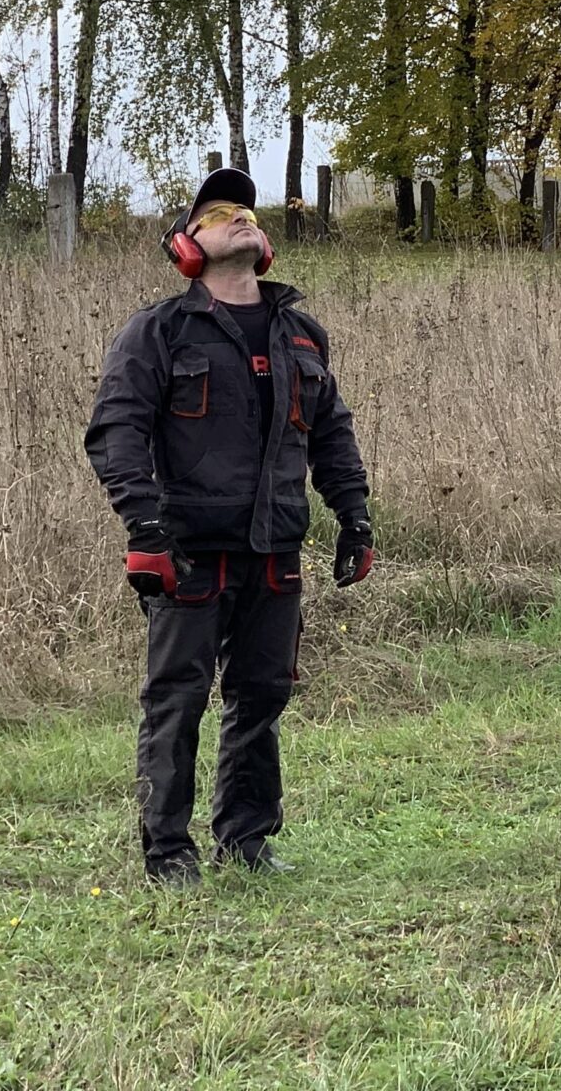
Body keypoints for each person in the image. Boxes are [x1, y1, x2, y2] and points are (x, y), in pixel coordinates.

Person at [83, 166, 375, 885]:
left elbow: (331, 434)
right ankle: (167, 852)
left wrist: (354, 517)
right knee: (176, 701)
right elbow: (116, 432)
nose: (239, 218)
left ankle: (246, 841)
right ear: (186, 245)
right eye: (216, 214)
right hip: (188, 555)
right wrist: (144, 529)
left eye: (246, 212)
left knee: (263, 697)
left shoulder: (301, 335)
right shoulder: (157, 332)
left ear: (264, 243)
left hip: (275, 549)